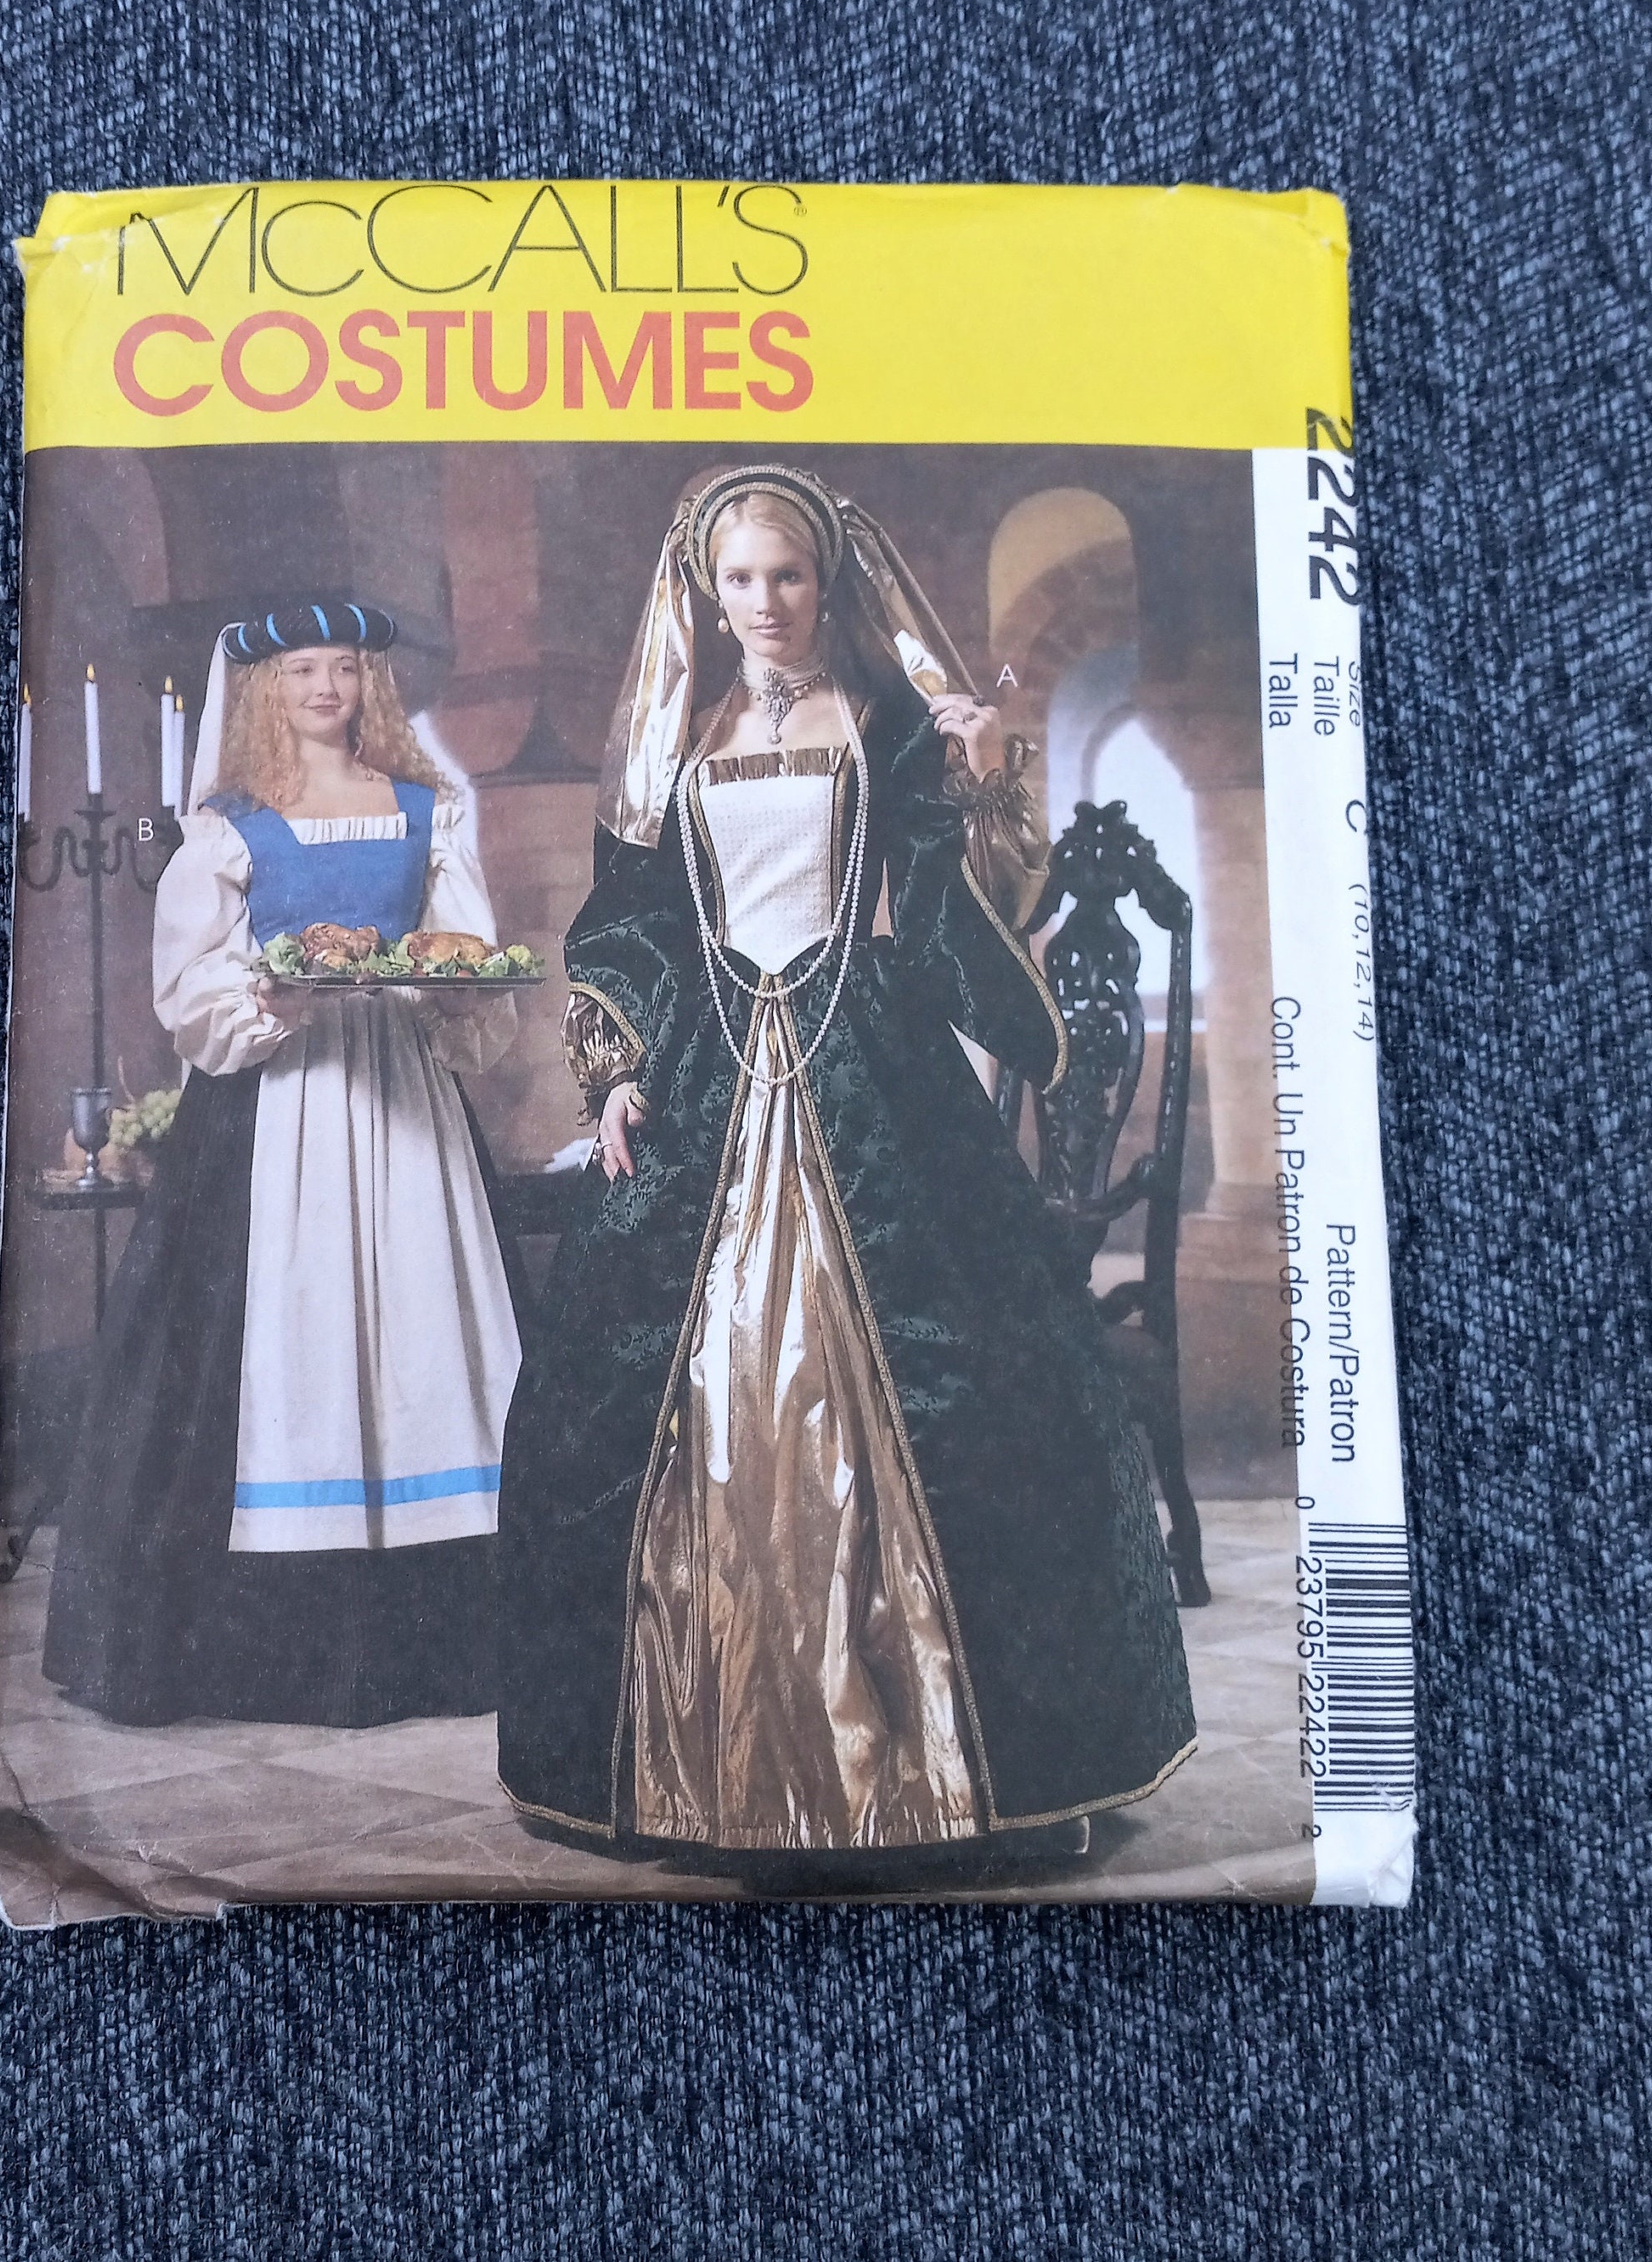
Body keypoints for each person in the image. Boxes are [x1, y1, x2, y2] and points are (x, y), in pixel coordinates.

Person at [496, 466, 1195, 1878]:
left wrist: (978, 776)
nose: (765, 603)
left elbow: (970, 902)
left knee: (961, 1386)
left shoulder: (886, 725)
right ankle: (707, 1766)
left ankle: (944, 1765)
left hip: (871, 1068)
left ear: (826, 584)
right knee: (665, 1389)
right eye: (741, 580)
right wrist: (617, 1068)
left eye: (788, 576)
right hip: (710, 1078)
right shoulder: (676, 739)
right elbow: (631, 923)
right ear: (709, 594)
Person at [42, 601, 524, 1727]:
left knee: (424, 1321)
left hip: (403, 1096)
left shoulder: (425, 810)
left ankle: (447, 1627)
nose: (324, 688)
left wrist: (440, 987)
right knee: (280, 1332)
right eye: (302, 670)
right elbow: (190, 989)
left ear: (369, 684)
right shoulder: (232, 827)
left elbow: (463, 950)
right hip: (279, 1105)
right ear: (267, 688)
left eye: (343, 667)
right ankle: (278, 1639)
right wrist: (271, 1002)